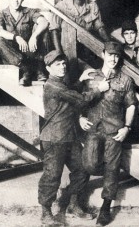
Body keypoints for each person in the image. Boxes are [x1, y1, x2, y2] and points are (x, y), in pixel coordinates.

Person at [38, 50, 109, 225]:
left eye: (63, 64)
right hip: (54, 138)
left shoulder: (61, 84)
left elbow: (68, 93)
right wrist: (99, 89)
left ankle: (73, 203)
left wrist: (80, 80)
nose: (62, 67)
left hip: (69, 136)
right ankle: (46, 213)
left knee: (83, 169)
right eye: (57, 65)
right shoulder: (52, 85)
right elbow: (80, 99)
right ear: (48, 68)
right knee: (52, 176)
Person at [79, 41, 137, 226]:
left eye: (117, 55)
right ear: (103, 54)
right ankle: (108, 170)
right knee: (89, 164)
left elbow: (131, 105)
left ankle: (105, 207)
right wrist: (80, 117)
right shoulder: (91, 76)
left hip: (114, 130)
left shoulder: (126, 80)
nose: (113, 58)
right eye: (110, 54)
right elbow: (81, 101)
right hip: (94, 129)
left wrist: (127, 127)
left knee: (112, 168)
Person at [50, 0, 110, 70]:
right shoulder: (62, 6)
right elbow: (54, 31)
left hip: (86, 50)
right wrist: (59, 53)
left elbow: (100, 28)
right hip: (67, 50)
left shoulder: (92, 5)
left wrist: (109, 44)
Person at [0, 0, 50, 86]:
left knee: (42, 30)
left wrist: (34, 36)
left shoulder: (29, 12)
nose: (16, 0)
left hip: (29, 51)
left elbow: (44, 22)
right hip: (12, 54)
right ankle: (26, 69)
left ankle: (39, 68)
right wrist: (16, 37)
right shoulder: (2, 14)